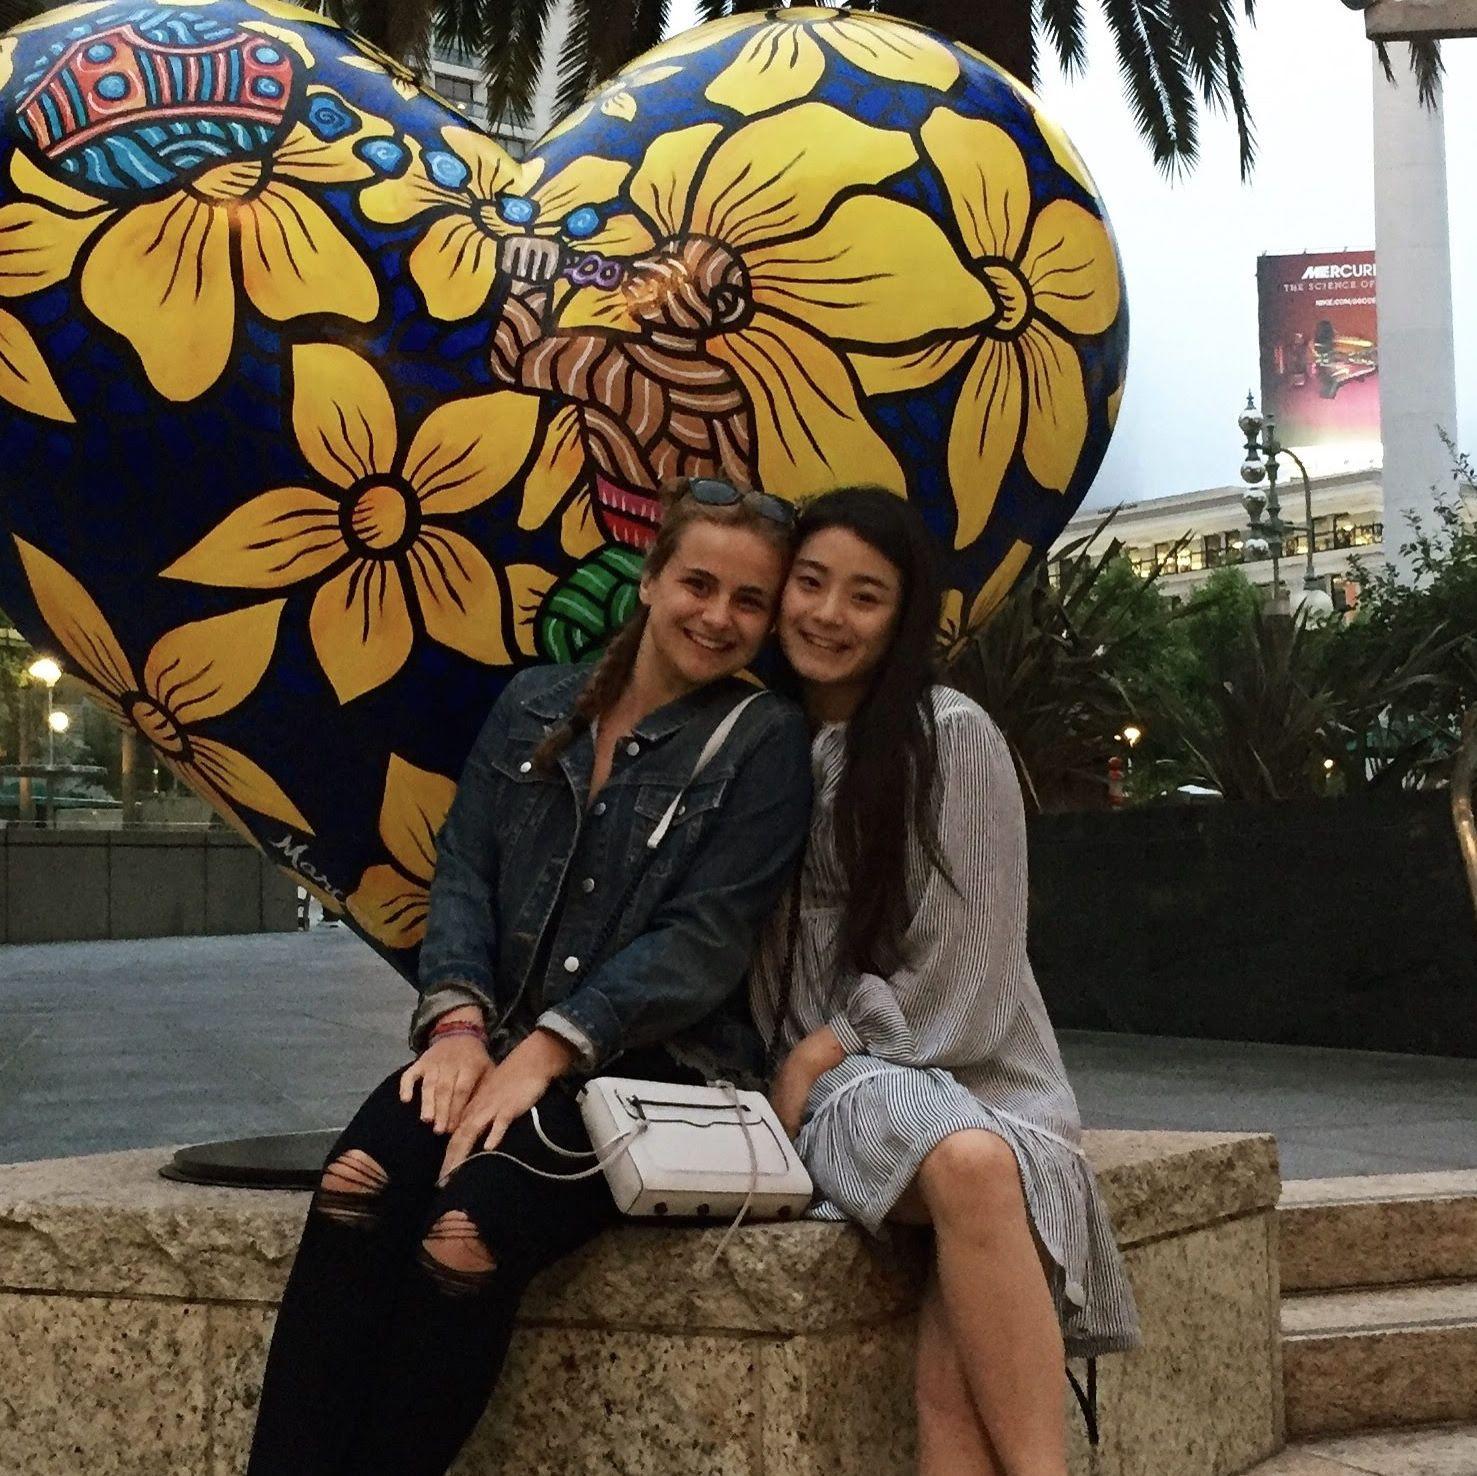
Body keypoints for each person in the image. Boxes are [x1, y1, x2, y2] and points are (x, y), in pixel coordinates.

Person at [248, 478, 813, 1476]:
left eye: (749, 601)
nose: (718, 616)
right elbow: (464, 870)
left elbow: (705, 939)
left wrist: (550, 1050)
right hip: (491, 1039)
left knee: (462, 1235)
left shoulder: (765, 742)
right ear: (649, 579)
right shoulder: (534, 704)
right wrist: (458, 1026)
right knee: (355, 1186)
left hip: (646, 1072)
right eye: (698, 584)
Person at [751, 487, 1140, 1476]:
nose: (827, 614)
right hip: (858, 1094)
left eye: (864, 595)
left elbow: (971, 963)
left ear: (904, 616)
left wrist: (821, 1047)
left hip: (974, 1069)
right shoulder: (755, 740)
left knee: (955, 1374)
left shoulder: (948, 735)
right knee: (971, 1177)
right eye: (810, 583)